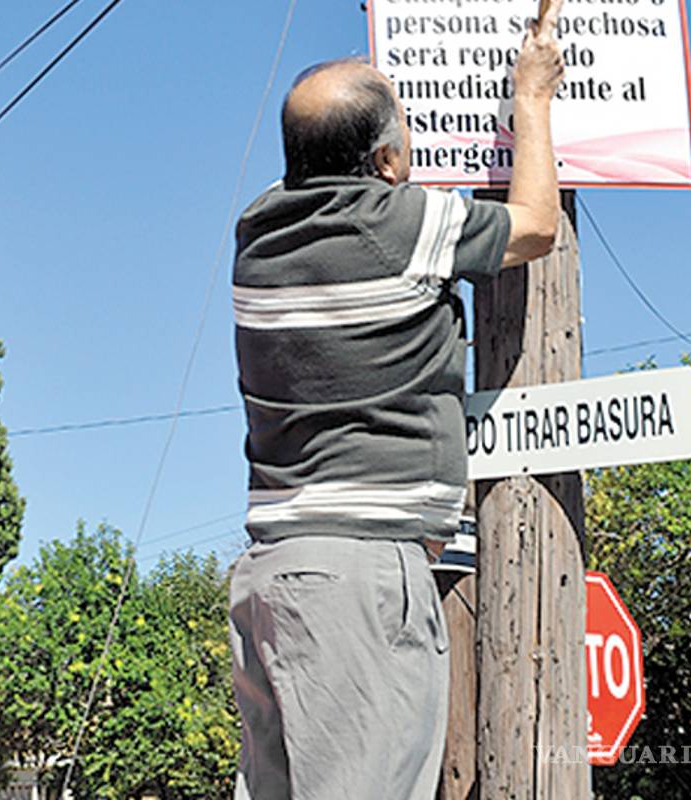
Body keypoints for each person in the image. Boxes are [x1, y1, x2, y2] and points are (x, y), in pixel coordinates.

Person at [227, 3, 566, 798]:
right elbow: (537, 227)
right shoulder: (396, 224)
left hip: (272, 574)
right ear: (383, 162)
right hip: (360, 580)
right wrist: (532, 99)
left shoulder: (258, 237)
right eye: (407, 138)